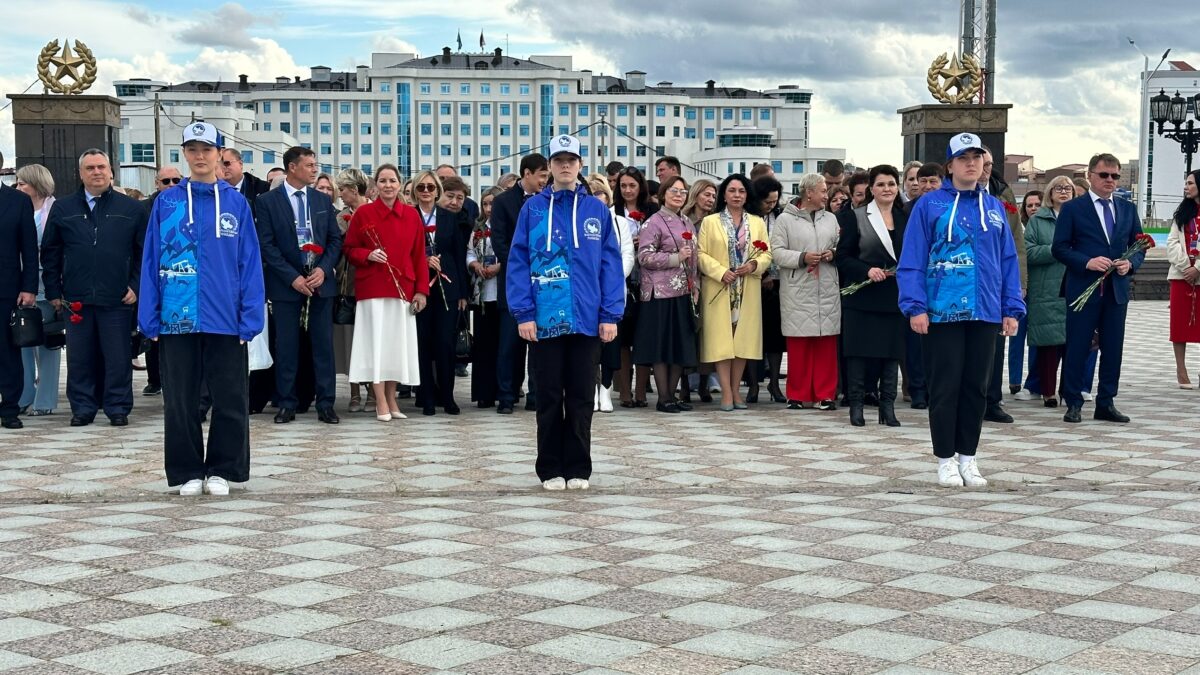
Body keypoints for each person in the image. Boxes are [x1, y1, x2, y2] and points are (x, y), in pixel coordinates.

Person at [139, 121, 264, 496]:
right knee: (181, 399)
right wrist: (150, 314)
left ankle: (224, 469)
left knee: (229, 397)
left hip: (225, 316)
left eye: (206, 150)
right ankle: (188, 470)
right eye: (192, 150)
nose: (199, 156)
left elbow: (249, 261)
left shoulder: (236, 203)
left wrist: (251, 316)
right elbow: (150, 258)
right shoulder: (168, 202)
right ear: (185, 155)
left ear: (219, 155)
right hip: (178, 316)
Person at [898, 132, 1024, 488]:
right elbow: (913, 258)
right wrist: (915, 305)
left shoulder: (995, 208)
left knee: (976, 387)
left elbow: (1008, 261)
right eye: (963, 157)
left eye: (977, 157)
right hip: (941, 311)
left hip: (985, 312)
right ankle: (945, 459)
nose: (971, 163)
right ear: (950, 164)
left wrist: (1011, 306)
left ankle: (968, 457)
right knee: (945, 387)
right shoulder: (930, 206)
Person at [507, 134, 623, 491]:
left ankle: (578, 467)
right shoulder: (533, 209)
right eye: (559, 160)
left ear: (580, 165)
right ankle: (550, 467)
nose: (565, 166)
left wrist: (610, 315)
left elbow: (610, 265)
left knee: (580, 396)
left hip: (587, 319)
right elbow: (518, 262)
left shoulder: (596, 210)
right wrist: (524, 313)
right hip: (544, 319)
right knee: (548, 396)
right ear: (550, 167)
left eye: (571, 160)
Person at [42, 149, 147, 428]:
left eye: (101, 167)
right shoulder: (63, 208)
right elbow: (51, 251)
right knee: (79, 358)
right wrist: (54, 291)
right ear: (81, 173)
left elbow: (144, 253)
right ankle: (83, 408)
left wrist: (136, 286)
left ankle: (117, 407)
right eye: (90, 168)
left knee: (117, 357)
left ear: (111, 171)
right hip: (75, 299)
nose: (96, 172)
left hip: (117, 297)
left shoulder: (131, 209)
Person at [1053, 153, 1144, 425]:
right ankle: (1073, 402)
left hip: (1116, 290)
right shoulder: (1073, 208)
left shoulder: (1127, 209)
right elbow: (1059, 248)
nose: (1110, 180)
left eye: (1115, 176)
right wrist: (1087, 262)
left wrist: (1130, 263)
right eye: (1105, 175)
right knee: (1078, 346)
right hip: (1083, 289)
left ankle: (1106, 402)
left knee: (1113, 348)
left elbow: (1139, 246)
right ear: (1091, 175)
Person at [255, 146, 343, 424]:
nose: (314, 169)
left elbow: (334, 240)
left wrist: (323, 269)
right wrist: (291, 277)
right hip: (286, 286)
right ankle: (287, 403)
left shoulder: (321, 200)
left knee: (323, 347)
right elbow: (266, 245)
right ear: (292, 167)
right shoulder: (267, 201)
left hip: (320, 284)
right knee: (287, 346)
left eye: (315, 165)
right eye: (309, 165)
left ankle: (326, 403)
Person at [342, 164, 428, 421]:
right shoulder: (363, 213)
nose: (388, 185)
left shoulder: (412, 215)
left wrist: (421, 291)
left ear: (399, 184)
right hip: (373, 289)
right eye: (382, 181)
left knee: (394, 347)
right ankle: (379, 399)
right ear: (374, 186)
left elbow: (419, 256)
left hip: (403, 289)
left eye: (392, 180)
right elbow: (349, 249)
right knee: (376, 346)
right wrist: (367, 254)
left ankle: (391, 398)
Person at [837, 165, 908, 426]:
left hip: (893, 296)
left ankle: (887, 407)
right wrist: (867, 270)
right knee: (858, 353)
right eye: (881, 184)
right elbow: (842, 257)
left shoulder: (905, 218)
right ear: (871, 189)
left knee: (891, 353)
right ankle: (856, 406)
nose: (887, 189)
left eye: (891, 184)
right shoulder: (855, 217)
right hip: (861, 297)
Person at [698, 174, 772, 411]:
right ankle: (727, 393)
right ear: (724, 194)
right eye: (732, 190)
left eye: (741, 191)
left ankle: (736, 391)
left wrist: (753, 265)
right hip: (720, 286)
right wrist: (720, 272)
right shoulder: (710, 222)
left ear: (747, 194)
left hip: (746, 286)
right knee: (722, 339)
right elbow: (700, 255)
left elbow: (767, 254)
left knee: (742, 340)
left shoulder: (757, 222)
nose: (737, 195)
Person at [773, 174, 839, 410]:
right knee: (799, 343)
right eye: (822, 190)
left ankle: (825, 394)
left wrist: (832, 253)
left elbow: (840, 245)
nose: (826, 195)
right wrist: (802, 257)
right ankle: (797, 394)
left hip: (826, 286)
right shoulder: (785, 220)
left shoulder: (831, 218)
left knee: (826, 341)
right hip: (798, 287)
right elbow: (776, 252)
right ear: (808, 193)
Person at [490, 153, 549, 414]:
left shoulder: (549, 201)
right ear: (527, 173)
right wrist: (520, 268)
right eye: (542, 175)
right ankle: (506, 395)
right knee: (509, 345)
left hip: (545, 283)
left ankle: (536, 395)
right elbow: (499, 241)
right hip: (513, 282)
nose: (545, 181)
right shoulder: (503, 202)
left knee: (539, 345)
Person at [634, 176, 698, 413]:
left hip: (683, 291)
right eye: (674, 191)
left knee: (679, 345)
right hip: (659, 293)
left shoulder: (687, 223)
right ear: (663, 194)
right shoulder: (653, 222)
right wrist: (675, 258)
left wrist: (696, 286)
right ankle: (663, 397)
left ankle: (672, 394)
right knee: (661, 346)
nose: (679, 195)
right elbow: (644, 257)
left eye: (683, 192)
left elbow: (695, 258)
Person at [411, 171, 468, 415]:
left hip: (447, 285)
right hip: (419, 287)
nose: (426, 191)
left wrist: (463, 292)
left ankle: (447, 395)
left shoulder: (448, 217)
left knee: (445, 343)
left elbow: (458, 254)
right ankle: (426, 396)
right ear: (415, 190)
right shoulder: (409, 216)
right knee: (422, 343)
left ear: (437, 191)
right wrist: (423, 259)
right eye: (421, 187)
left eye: (431, 187)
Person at [14, 164, 60, 417]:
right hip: (21, 284)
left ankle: (45, 399)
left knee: (46, 343)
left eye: (23, 183)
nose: (19, 187)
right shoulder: (17, 208)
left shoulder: (54, 210)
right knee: (22, 341)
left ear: (37, 184)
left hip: (46, 286)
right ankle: (24, 394)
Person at [585, 175, 635, 413]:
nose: (598, 198)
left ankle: (605, 390)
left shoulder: (619, 222)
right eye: (592, 194)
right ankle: (591, 390)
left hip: (613, 292)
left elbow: (627, 255)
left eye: (601, 193)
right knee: (589, 345)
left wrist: (612, 280)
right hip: (587, 293)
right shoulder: (581, 220)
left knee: (611, 344)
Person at [1025, 176, 1074, 407]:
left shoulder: (1080, 218)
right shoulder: (1038, 220)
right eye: (1059, 188)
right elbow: (1029, 253)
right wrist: (1058, 250)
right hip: (1046, 288)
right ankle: (1048, 392)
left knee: (1073, 343)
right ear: (1050, 193)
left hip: (1074, 284)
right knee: (1048, 345)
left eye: (1068, 188)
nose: (1064, 192)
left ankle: (1069, 390)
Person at [614, 167, 659, 407]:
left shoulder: (653, 211)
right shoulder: (612, 213)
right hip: (622, 282)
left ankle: (641, 391)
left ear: (640, 187)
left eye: (632, 185)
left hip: (649, 280)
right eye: (623, 186)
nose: (628, 190)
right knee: (622, 339)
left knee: (644, 337)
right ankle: (624, 391)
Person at [0, 151, 38, 430]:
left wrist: (29, 287)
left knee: (7, 351)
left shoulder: (18, 201)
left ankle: (10, 408)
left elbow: (29, 248)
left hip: (7, 288)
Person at [333, 168, 371, 412]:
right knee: (350, 340)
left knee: (370, 339)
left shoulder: (374, 211)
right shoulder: (339, 217)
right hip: (346, 287)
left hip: (370, 282)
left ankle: (374, 392)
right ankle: (354, 391)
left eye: (343, 190)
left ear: (354, 190)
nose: (340, 194)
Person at [681, 178, 719, 403]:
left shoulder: (716, 222)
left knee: (707, 334)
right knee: (688, 334)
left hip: (710, 281)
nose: (710, 199)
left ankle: (704, 383)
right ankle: (685, 384)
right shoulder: (684, 221)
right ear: (695, 195)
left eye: (713, 196)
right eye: (706, 194)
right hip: (687, 282)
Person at [751, 175, 786, 403]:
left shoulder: (780, 217)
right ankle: (753, 384)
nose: (771, 206)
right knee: (752, 337)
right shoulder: (749, 219)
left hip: (777, 284)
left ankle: (774, 382)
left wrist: (772, 275)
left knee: (775, 337)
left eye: (774, 202)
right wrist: (761, 273)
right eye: (767, 202)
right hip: (752, 282)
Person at [468, 186, 504, 408]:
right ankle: (484, 392)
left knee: (503, 345)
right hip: (482, 295)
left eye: (493, 204)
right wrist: (474, 264)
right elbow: (469, 251)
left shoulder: (508, 226)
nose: (489, 208)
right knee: (484, 346)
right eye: (486, 204)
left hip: (502, 292)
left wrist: (500, 266)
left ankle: (503, 389)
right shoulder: (477, 228)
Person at [1011, 189, 1044, 400]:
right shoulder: (1018, 228)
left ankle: (1034, 381)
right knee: (1016, 336)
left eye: (1037, 204)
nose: (1033, 208)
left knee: (1035, 338)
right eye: (1029, 205)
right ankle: (1014, 380)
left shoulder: (1047, 227)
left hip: (1040, 290)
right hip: (1019, 289)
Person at [1168, 170, 1200, 388]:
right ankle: (1181, 371)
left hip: (1198, 274)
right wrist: (1187, 267)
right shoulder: (1182, 214)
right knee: (1179, 325)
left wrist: (1198, 268)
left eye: (1190, 183)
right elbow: (1172, 243)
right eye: (1185, 183)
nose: (1186, 187)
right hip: (1181, 277)